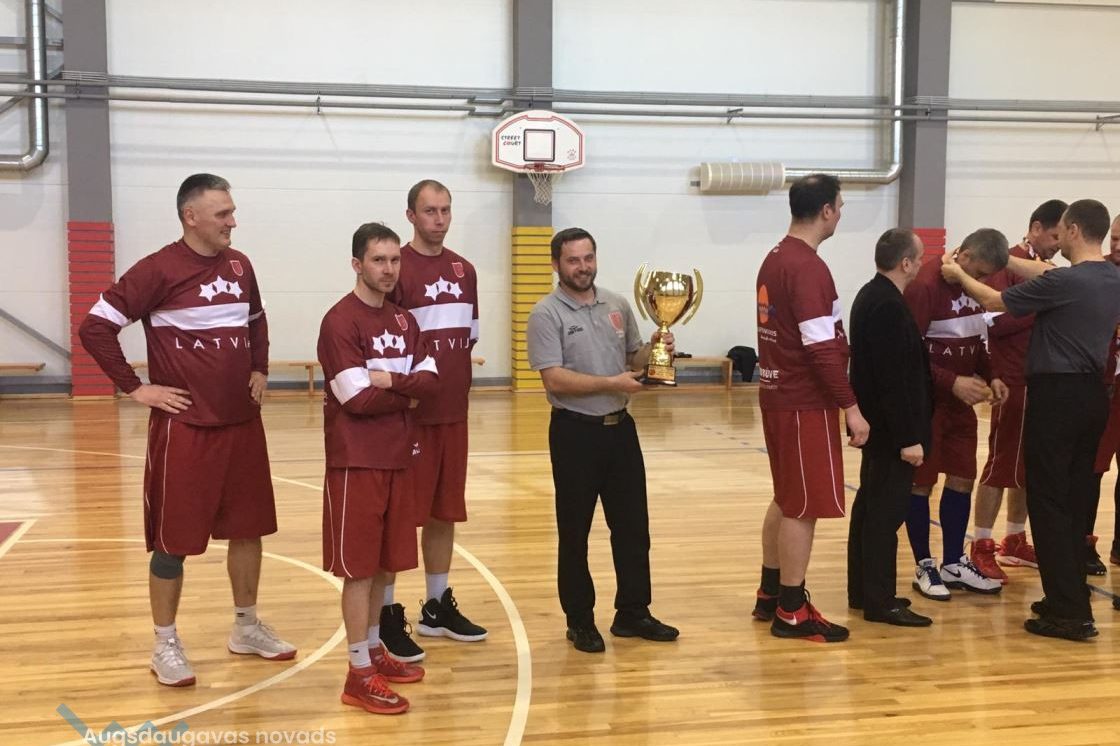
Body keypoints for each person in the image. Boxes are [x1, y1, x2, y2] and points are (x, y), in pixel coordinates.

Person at [78, 173, 296, 687]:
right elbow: (95, 327)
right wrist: (136, 388)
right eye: (223, 213)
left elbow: (256, 320)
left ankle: (246, 627)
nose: (233, 222)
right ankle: (165, 643)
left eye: (232, 211)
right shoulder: (157, 269)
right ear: (190, 216)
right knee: (172, 542)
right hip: (186, 429)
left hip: (242, 423)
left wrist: (259, 367)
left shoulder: (240, 266)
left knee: (248, 530)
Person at [942, 199, 1120, 640]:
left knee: (1049, 502)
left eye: (1062, 231)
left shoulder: (1066, 282)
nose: (1058, 239)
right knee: (1073, 501)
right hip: (1093, 396)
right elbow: (1045, 272)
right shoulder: (1110, 276)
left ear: (1073, 230)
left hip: (1057, 398)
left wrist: (959, 274)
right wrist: (1008, 260)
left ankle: (1069, 613)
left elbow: (994, 299)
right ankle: (1068, 597)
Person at [526, 227, 679, 653]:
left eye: (588, 258)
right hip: (574, 433)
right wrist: (613, 382)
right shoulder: (545, 314)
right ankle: (580, 620)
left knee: (633, 529)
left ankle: (633, 612)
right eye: (573, 260)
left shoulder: (617, 304)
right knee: (574, 533)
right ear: (556, 264)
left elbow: (633, 357)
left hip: (621, 430)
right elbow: (554, 379)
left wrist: (657, 346)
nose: (583, 267)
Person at [318, 222, 438, 714]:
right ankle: (357, 673)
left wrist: (391, 381)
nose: (389, 269)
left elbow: (432, 382)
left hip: (398, 458)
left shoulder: (405, 321)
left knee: (386, 565)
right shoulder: (339, 322)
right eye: (378, 260)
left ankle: (372, 649)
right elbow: (356, 399)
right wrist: (406, 395)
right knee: (359, 570)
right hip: (356, 463)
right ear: (357, 264)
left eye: (394, 260)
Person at [752, 173, 869, 644]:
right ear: (825, 210)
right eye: (840, 206)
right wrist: (851, 407)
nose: (840, 214)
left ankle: (770, 592)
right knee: (803, 506)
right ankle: (792, 609)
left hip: (780, 395)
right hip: (804, 401)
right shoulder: (807, 267)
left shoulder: (776, 257)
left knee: (786, 497)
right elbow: (821, 349)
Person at [377, 180, 487, 663]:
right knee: (401, 519)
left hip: (453, 415)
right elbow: (386, 342)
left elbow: (467, 339)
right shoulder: (395, 269)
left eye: (445, 210)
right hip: (409, 419)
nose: (439, 219)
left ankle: (436, 607)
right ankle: (385, 614)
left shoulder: (465, 271)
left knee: (445, 513)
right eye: (429, 211)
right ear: (411, 216)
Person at [903, 229, 1008, 601]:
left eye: (987, 277)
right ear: (963, 255)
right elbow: (909, 354)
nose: (982, 282)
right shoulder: (924, 286)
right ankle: (924, 563)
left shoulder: (975, 287)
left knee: (963, 477)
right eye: (978, 273)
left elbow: (980, 340)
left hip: (960, 405)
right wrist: (952, 382)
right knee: (921, 483)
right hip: (928, 404)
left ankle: (952, 562)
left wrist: (993, 375)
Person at [969, 200, 1067, 583]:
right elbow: (991, 320)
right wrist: (1043, 309)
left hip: (1040, 379)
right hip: (1010, 381)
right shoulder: (1006, 262)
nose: (1058, 244)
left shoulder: (1045, 270)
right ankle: (981, 545)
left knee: (1027, 466)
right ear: (1036, 228)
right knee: (1000, 466)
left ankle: (1013, 539)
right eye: (1055, 235)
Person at [846, 228, 933, 627]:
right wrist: (909, 438)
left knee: (869, 508)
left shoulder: (871, 295)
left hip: (879, 428)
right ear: (905, 263)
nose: (922, 264)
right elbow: (893, 380)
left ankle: (864, 591)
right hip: (891, 433)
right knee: (884, 514)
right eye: (919, 257)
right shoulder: (888, 306)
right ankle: (880, 600)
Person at [1086, 213, 1120, 582]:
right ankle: (1083, 542)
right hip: (1102, 386)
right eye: (1114, 238)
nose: (1116, 246)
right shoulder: (1100, 273)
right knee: (1093, 468)